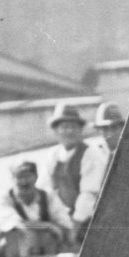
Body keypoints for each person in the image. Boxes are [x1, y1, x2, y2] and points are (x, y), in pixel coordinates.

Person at [45, 102, 109, 245]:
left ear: (80, 130)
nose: (69, 131)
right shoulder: (52, 155)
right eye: (64, 127)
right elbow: (45, 189)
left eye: (73, 127)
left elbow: (89, 194)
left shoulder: (91, 154)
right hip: (62, 218)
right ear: (56, 131)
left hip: (87, 220)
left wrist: (75, 225)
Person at [0, 159, 73, 257]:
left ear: (36, 177)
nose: (24, 182)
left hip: (47, 249)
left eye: (27, 176)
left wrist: (56, 231)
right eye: (19, 177)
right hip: (19, 252)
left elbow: (65, 223)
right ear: (12, 179)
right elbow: (12, 224)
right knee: (13, 235)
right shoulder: (4, 197)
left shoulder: (47, 195)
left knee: (50, 236)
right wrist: (46, 226)